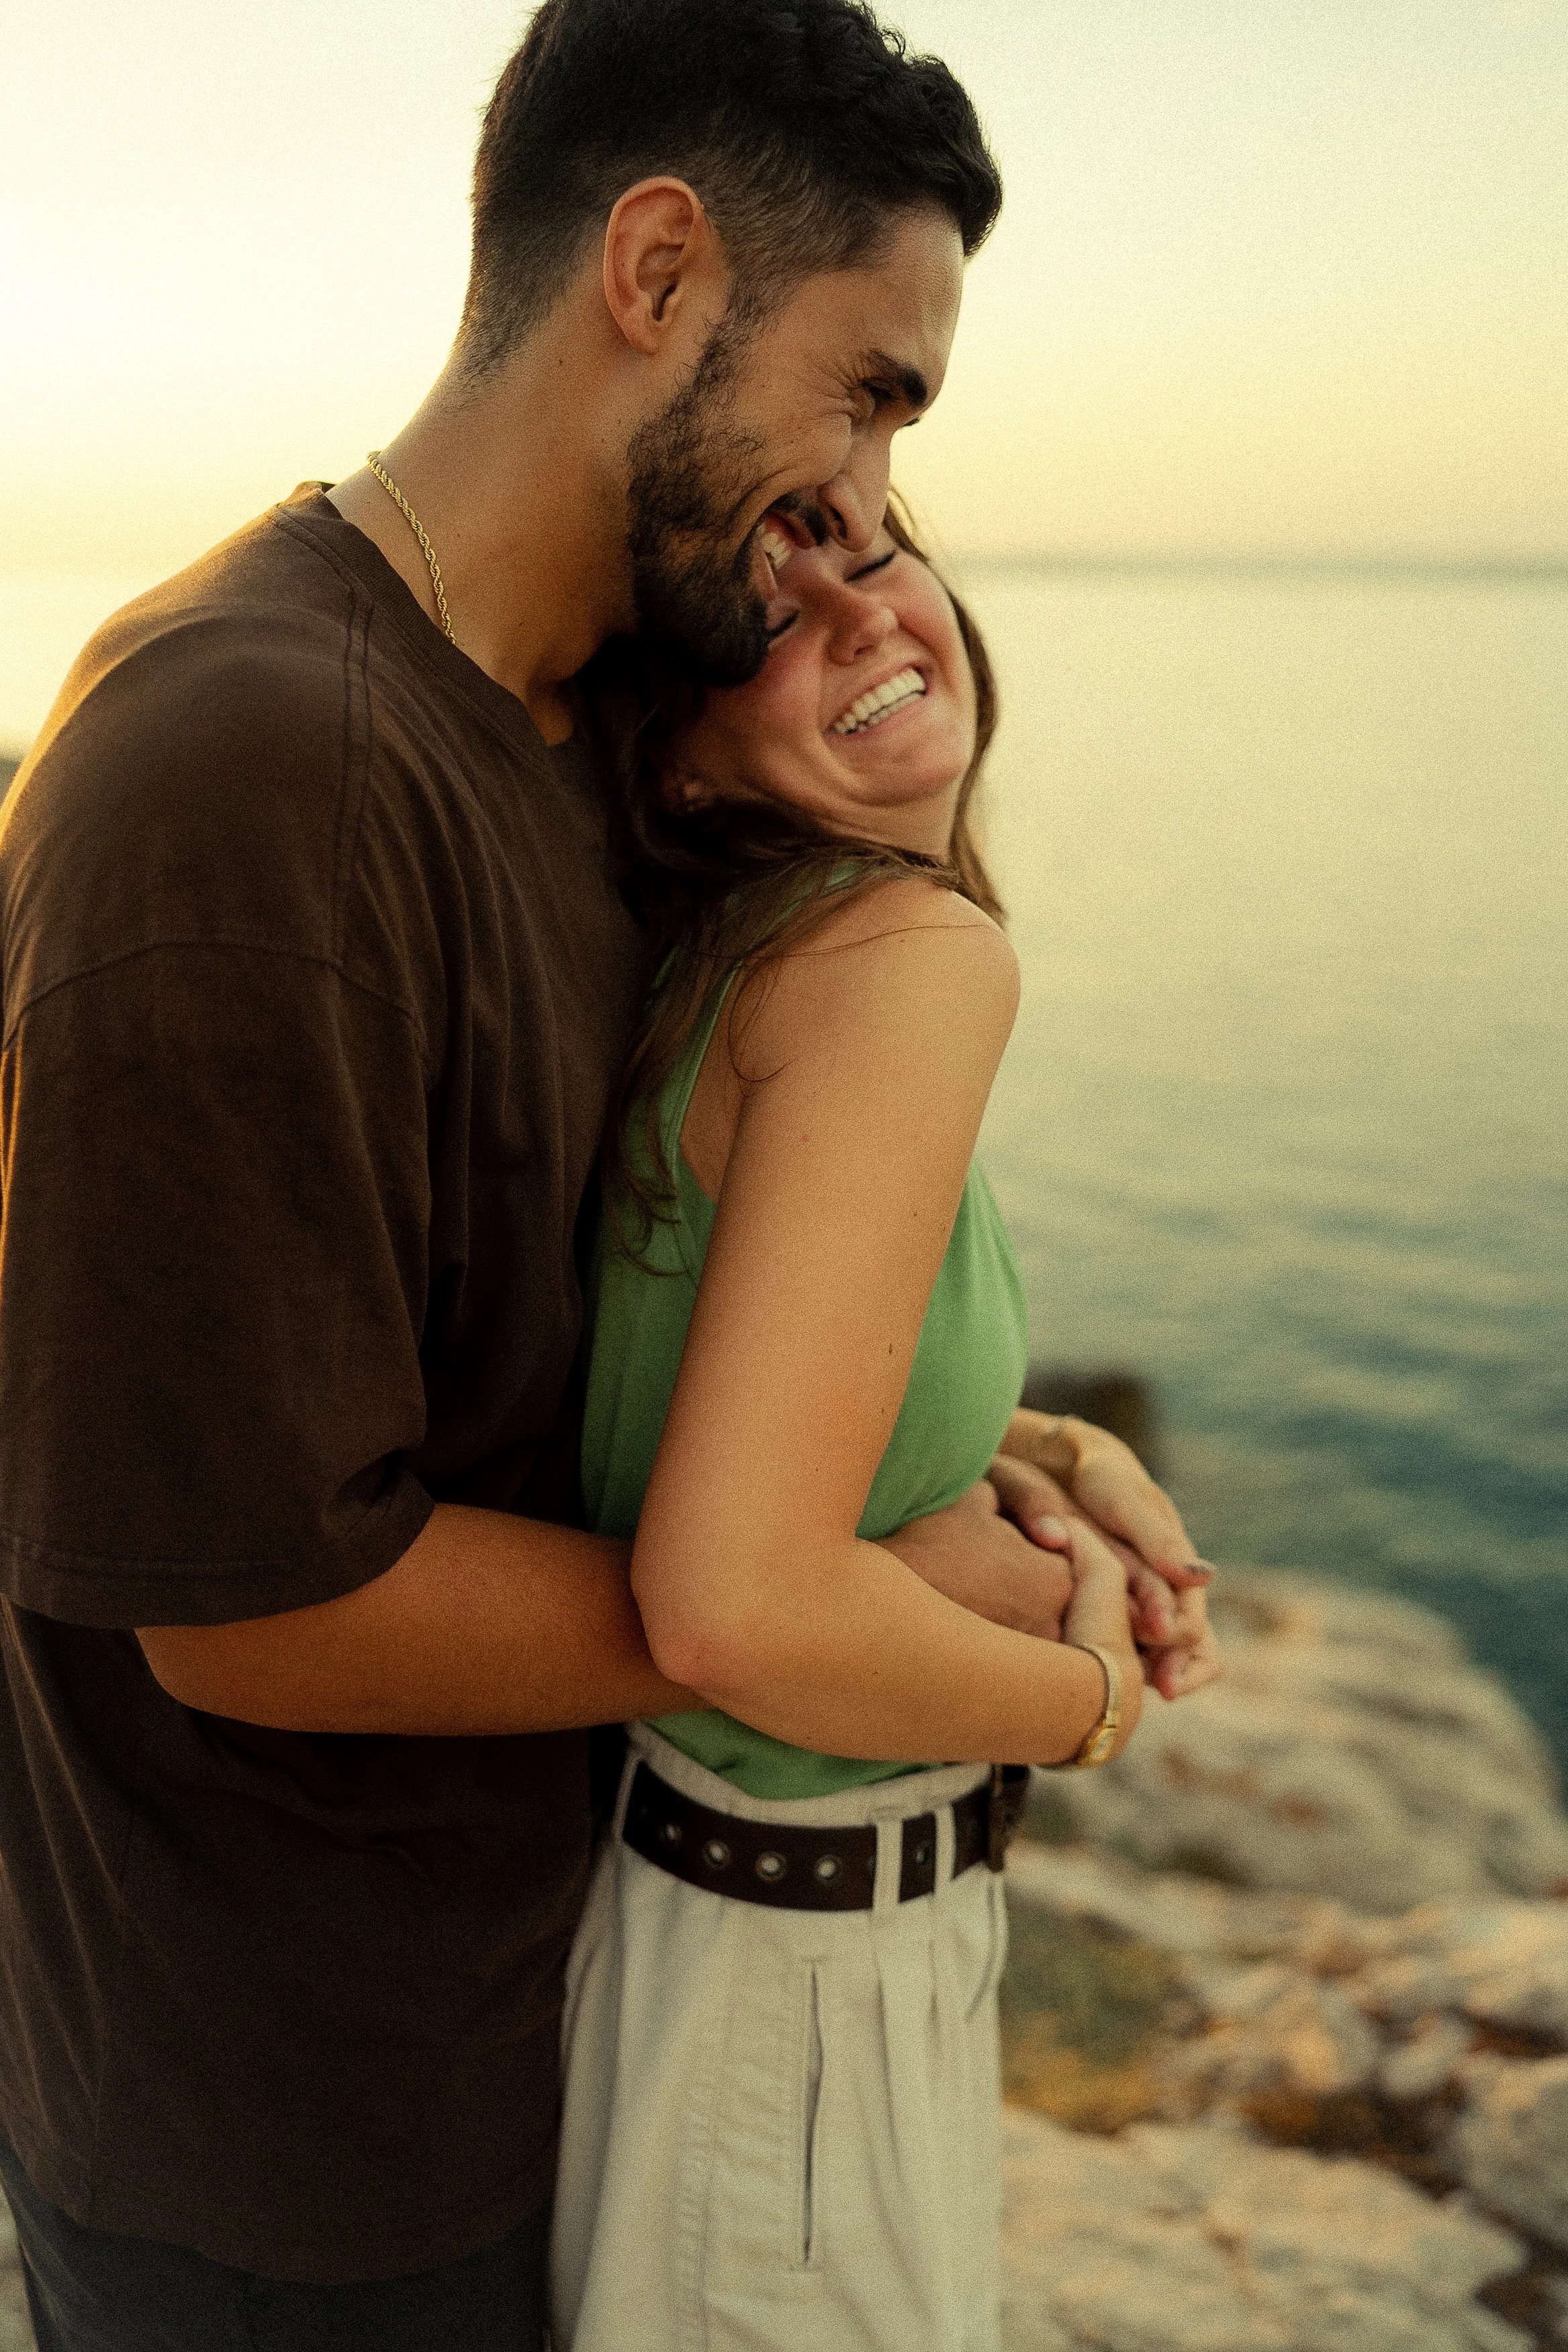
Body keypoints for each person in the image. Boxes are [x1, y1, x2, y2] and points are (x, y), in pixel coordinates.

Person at [0, 2, 1207, 2343]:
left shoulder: (581, 726)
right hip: (293, 2163)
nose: (868, 505)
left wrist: (1013, 1447)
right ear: (655, 270)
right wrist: (922, 1616)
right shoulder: (244, 767)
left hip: (581, 2023)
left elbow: (607, 1315)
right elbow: (247, 1596)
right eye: (868, 388)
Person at [551, 511, 1220, 2350]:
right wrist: (1086, 1700)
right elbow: (733, 1611)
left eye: (873, 550)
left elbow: (743, 1409)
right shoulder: (906, 964)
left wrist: (1047, 1453)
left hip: (733, 1950)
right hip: (803, 1990)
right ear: (680, 752)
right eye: (770, 619)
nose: (865, 616)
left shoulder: (751, 960)